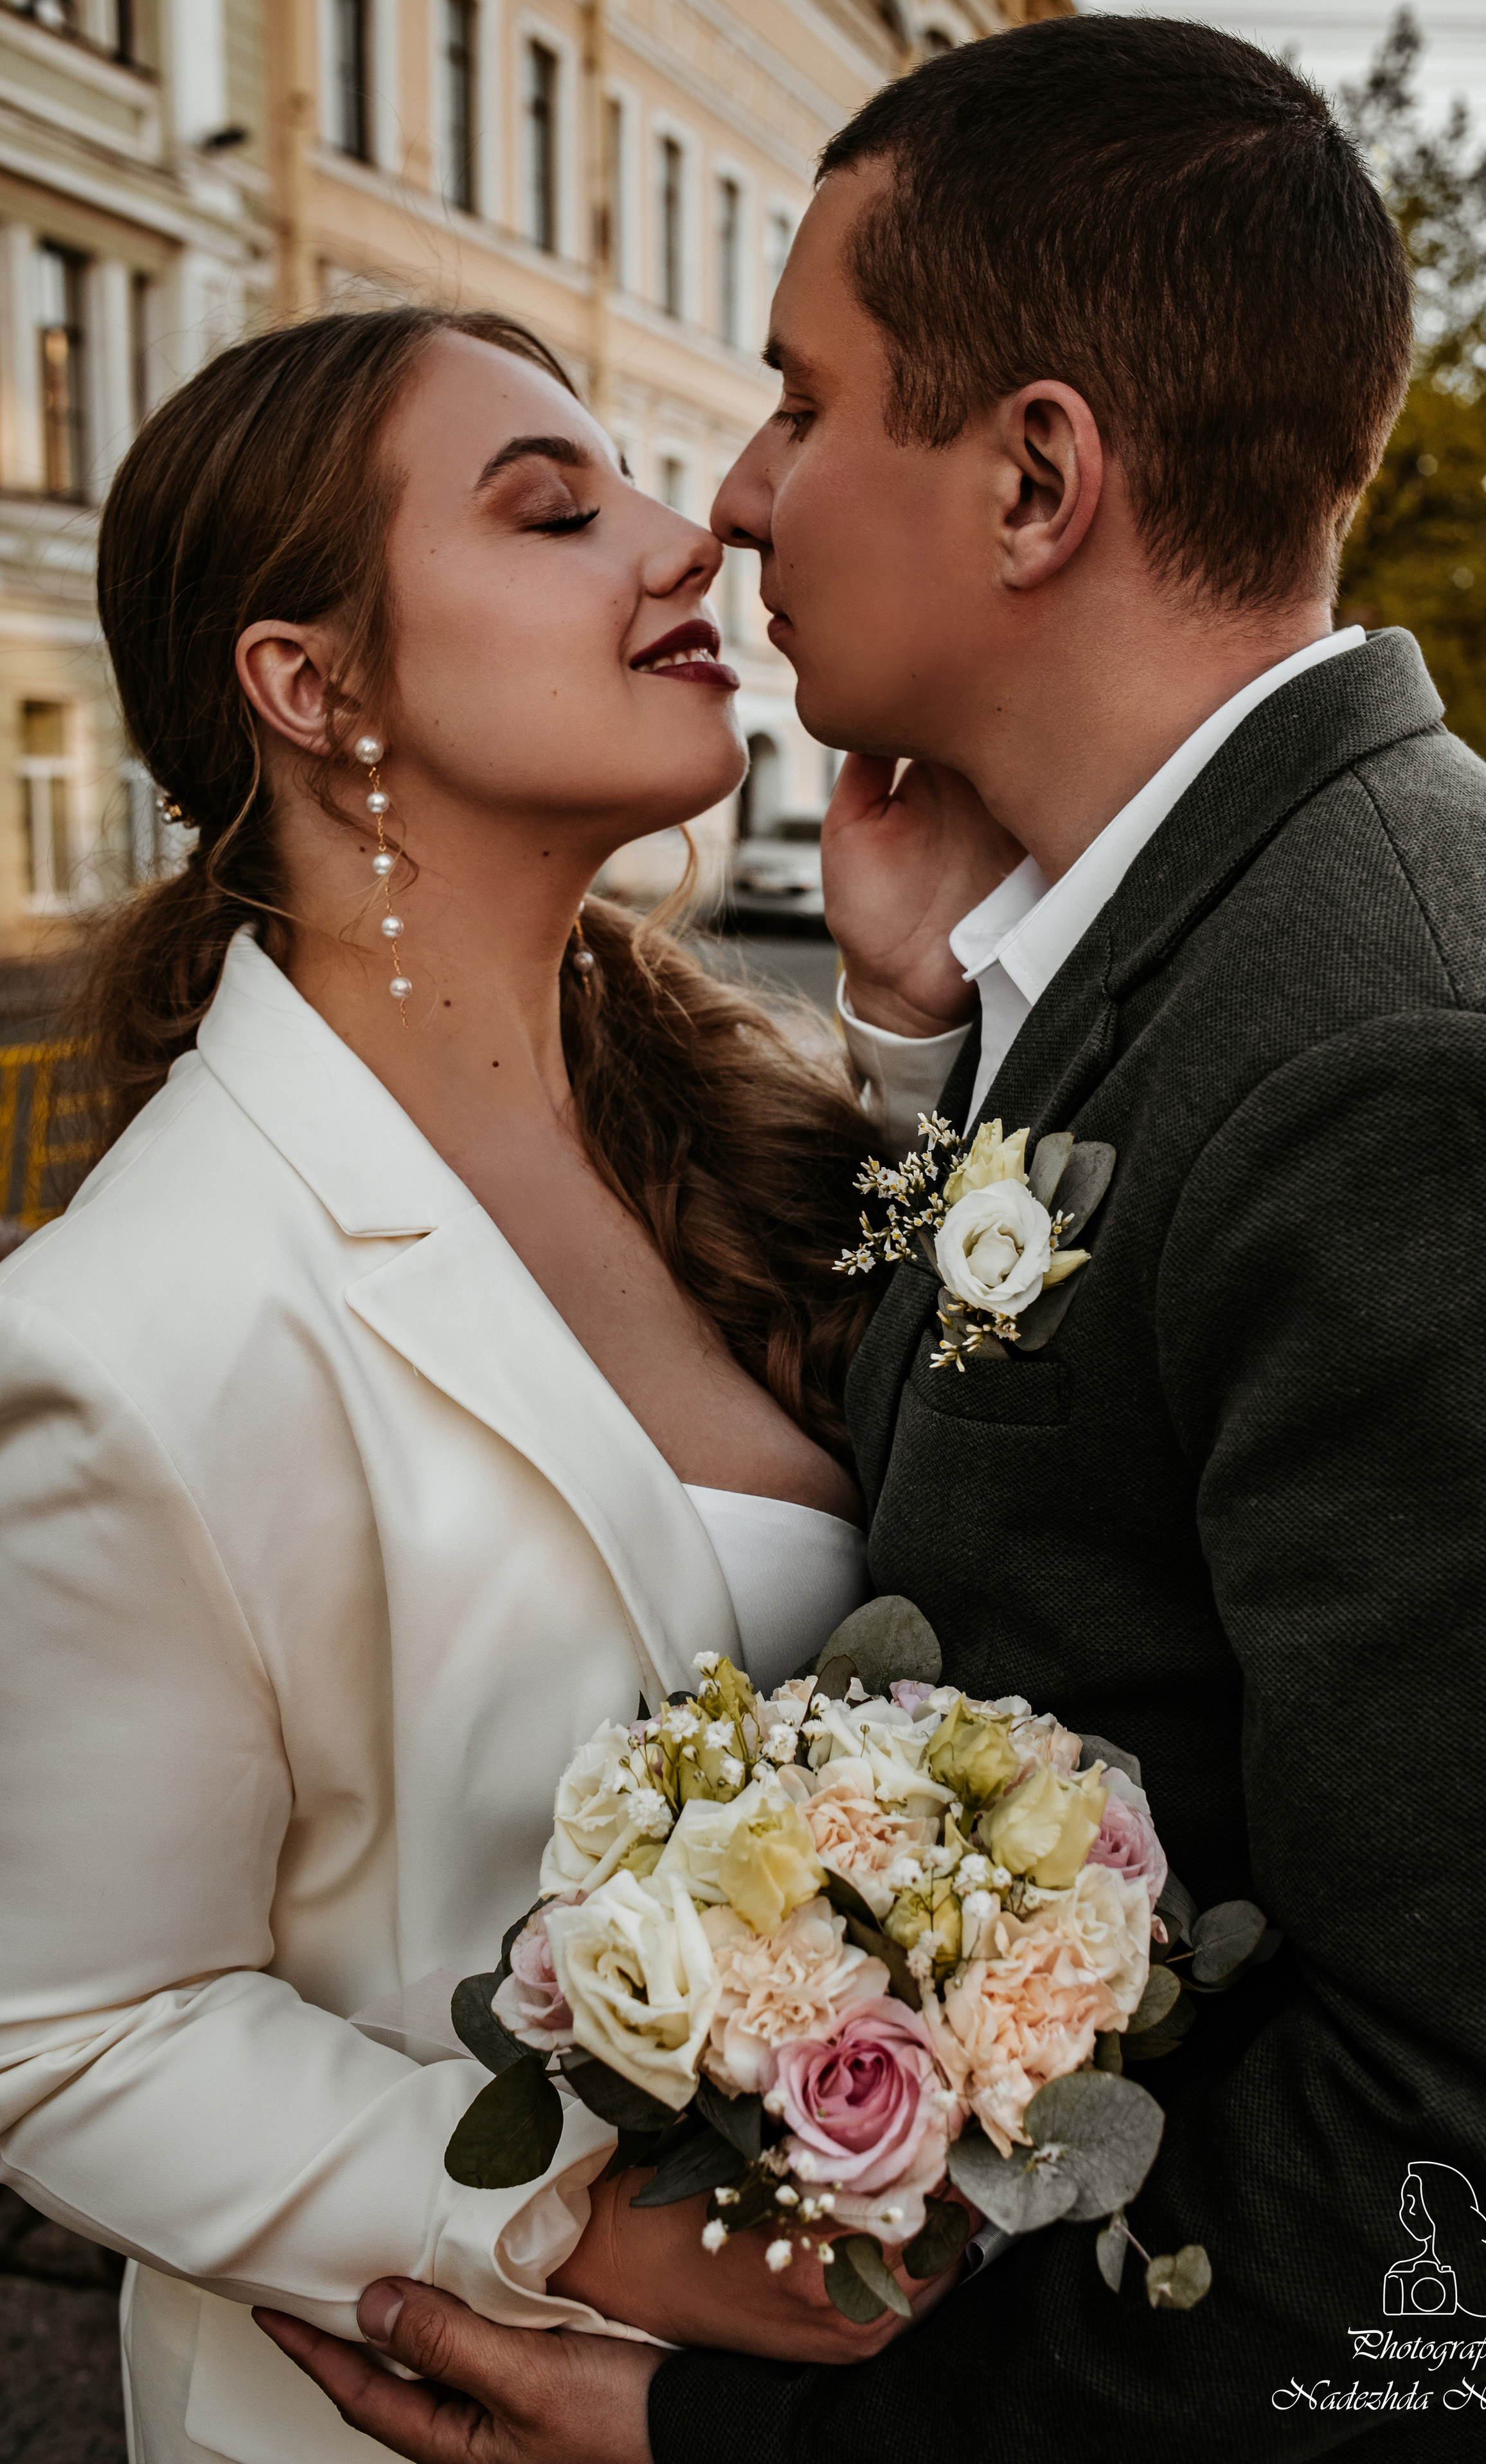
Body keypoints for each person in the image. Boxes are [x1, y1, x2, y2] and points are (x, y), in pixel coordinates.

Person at [269, 17, 1486, 2462]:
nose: (742, 492)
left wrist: (763, 2446)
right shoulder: (1219, 930)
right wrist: (940, 1039)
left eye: (804, 400)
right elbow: (1066, 1477)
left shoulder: (1389, 1040)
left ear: (1035, 480)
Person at [0, 305, 959, 2464]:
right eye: (555, 510)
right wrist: (587, 2228)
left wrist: (915, 1028)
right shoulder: (130, 1324)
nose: (684, 537)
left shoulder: (726, 1112)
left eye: (632, 482)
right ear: (311, 685)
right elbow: (66, 2031)